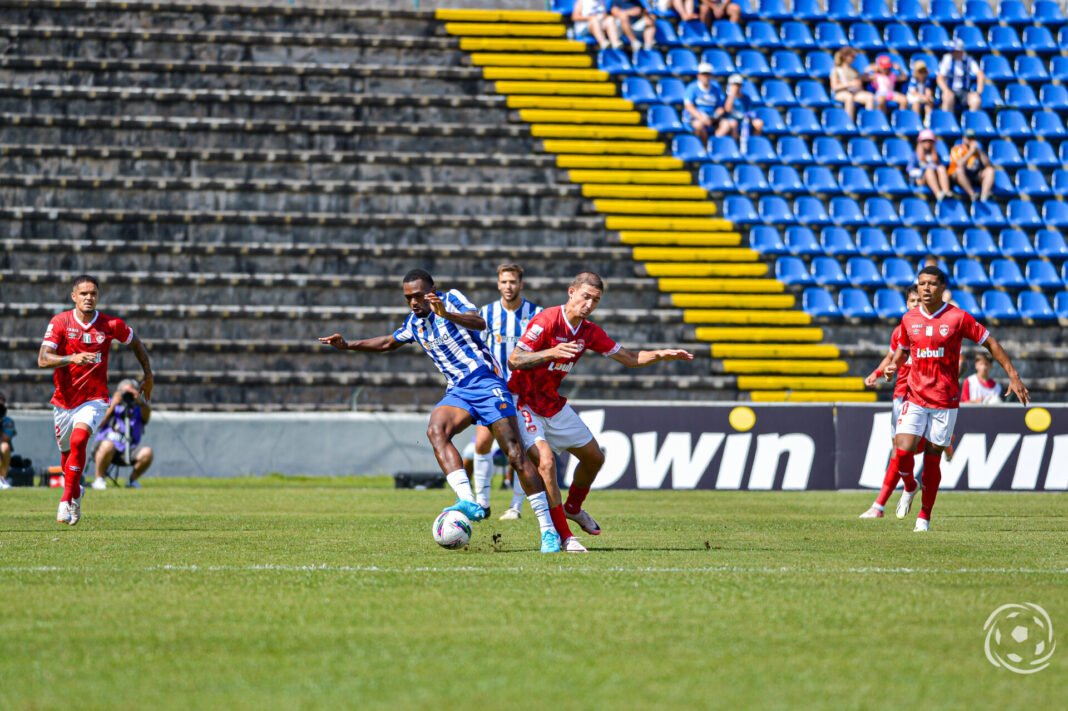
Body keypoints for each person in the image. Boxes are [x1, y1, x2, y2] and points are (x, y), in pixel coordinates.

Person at [318, 269, 563, 553]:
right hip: (458, 391)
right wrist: (348, 345)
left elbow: (479, 322)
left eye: (419, 295)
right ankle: (468, 500)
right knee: (436, 430)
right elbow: (387, 342)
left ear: (432, 290)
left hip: (486, 381)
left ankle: (548, 531)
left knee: (516, 454)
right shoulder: (414, 324)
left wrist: (446, 313)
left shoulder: (453, 300)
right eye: (408, 297)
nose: (413, 302)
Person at [507, 272, 694, 552]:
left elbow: (630, 358)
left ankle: (573, 506)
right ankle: (561, 536)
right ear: (572, 292)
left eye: (595, 300)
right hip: (523, 402)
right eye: (585, 297)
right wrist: (550, 352)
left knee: (594, 458)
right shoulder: (547, 320)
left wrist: (662, 353)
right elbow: (514, 360)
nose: (589, 305)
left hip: (552, 403)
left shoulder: (588, 332)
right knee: (545, 462)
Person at [883, 267, 1029, 531]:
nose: (925, 289)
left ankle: (924, 517)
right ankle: (910, 486)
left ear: (942, 288)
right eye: (921, 284)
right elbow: (903, 352)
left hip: (944, 400)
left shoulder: (958, 317)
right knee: (902, 450)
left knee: (932, 459)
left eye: (931, 284)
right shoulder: (908, 319)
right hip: (915, 396)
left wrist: (1014, 375)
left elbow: (991, 344)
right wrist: (894, 365)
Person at [38, 275, 154, 526]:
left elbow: (136, 343)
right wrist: (72, 358)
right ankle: (77, 490)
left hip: (95, 398)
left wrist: (148, 374)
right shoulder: (60, 322)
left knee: (80, 440)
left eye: (93, 294)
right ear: (74, 297)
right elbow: (43, 359)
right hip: (63, 400)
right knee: (67, 455)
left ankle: (66, 499)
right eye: (83, 294)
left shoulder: (111, 324)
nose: (88, 298)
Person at [467, 264, 542, 521]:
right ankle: (482, 504)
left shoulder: (536, 314)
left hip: (524, 391)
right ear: (498, 284)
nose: (508, 286)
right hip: (494, 390)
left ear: (520, 284)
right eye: (504, 281)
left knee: (521, 448)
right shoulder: (485, 313)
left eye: (513, 281)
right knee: (481, 443)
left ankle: (515, 507)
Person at [860, 286, 926, 519]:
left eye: (920, 300)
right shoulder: (901, 330)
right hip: (900, 396)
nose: (916, 304)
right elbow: (891, 358)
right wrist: (877, 374)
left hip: (922, 396)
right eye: (912, 301)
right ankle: (901, 490)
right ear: (907, 304)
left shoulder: (932, 330)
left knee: (905, 449)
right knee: (898, 452)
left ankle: (881, 504)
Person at [91, 379, 153, 489]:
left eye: (131, 393)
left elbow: (147, 417)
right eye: (125, 392)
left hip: (127, 450)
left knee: (147, 452)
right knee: (108, 445)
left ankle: (132, 481)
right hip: (104, 447)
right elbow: (99, 423)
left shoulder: (139, 407)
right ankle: (99, 480)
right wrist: (114, 402)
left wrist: (140, 401)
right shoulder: (109, 402)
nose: (127, 396)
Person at [937, 38, 984, 114]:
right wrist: (946, 90)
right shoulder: (947, 59)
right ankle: (948, 123)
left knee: (976, 100)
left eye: (954, 51)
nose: (952, 53)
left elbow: (980, 75)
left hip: (965, 91)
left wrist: (978, 92)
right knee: (947, 98)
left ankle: (971, 123)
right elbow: (940, 78)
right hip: (950, 90)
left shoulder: (969, 60)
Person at [948, 128, 995, 202]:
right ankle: (972, 195)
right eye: (968, 138)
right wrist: (970, 152)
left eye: (972, 138)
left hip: (974, 174)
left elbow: (988, 165)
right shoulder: (957, 149)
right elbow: (960, 164)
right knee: (959, 170)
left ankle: (984, 195)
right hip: (959, 175)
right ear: (964, 138)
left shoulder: (978, 150)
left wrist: (979, 151)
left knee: (990, 171)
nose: (970, 140)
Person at [683, 62, 724, 144]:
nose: (706, 77)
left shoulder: (716, 89)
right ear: (698, 76)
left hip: (712, 118)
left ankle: (715, 145)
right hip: (695, 117)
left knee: (728, 124)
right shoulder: (692, 88)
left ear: (711, 76)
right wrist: (702, 118)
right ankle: (704, 148)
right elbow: (689, 106)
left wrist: (716, 115)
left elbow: (720, 107)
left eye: (708, 74)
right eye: (703, 74)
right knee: (699, 125)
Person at [830, 47, 875, 121]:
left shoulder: (854, 70)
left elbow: (860, 80)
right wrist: (850, 84)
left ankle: (869, 121)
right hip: (841, 93)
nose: (854, 58)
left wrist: (869, 72)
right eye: (852, 56)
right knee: (849, 97)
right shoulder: (836, 70)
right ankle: (849, 122)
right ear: (845, 57)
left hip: (855, 93)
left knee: (870, 97)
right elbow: (834, 86)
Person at [717, 73, 764, 144]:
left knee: (758, 123)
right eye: (734, 85)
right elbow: (727, 110)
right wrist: (732, 95)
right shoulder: (726, 97)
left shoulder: (746, 98)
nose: (736, 87)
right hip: (731, 120)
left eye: (738, 85)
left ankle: (753, 144)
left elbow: (749, 111)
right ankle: (735, 145)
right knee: (733, 123)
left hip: (744, 120)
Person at [907, 129, 951, 200]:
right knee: (929, 171)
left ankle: (946, 191)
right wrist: (922, 170)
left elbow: (940, 166)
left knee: (941, 168)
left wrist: (935, 167)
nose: (927, 143)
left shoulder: (936, 155)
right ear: (920, 142)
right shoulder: (915, 155)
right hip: (921, 179)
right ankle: (938, 193)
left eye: (930, 141)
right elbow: (909, 170)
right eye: (924, 141)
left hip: (935, 177)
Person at [0, 392, 15, 489]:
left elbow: (5, 438)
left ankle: (2, 479)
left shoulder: (7, 421)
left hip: (2, 448)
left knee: (4, 447)